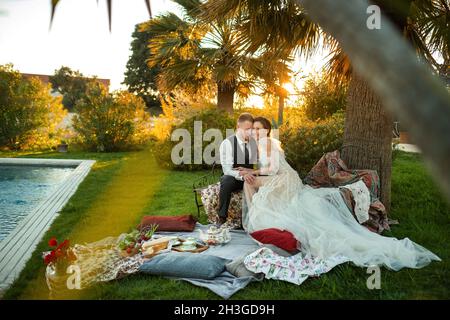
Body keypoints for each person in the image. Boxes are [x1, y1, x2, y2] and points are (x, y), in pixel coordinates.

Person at [243, 116, 441, 271]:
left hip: (283, 179)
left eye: (259, 128)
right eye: (254, 129)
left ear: (266, 129)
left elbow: (272, 168)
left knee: (252, 187)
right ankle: (255, 216)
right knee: (253, 185)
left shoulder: (266, 143)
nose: (255, 131)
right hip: (287, 178)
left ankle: (251, 219)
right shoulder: (269, 142)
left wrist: (251, 172)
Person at [218, 113, 258, 225]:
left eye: (252, 129)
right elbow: (227, 170)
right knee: (226, 179)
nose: (250, 133)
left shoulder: (254, 142)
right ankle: (222, 218)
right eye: (247, 129)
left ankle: (258, 220)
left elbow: (259, 164)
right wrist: (242, 175)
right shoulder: (227, 143)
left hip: (251, 177)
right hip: (235, 179)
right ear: (238, 127)